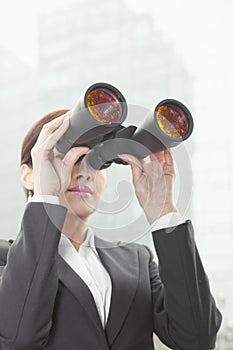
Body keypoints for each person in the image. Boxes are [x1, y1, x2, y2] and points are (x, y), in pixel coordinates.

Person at [0, 109, 222, 350]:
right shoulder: (7, 260)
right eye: (67, 158)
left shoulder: (137, 260)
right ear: (28, 176)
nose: (85, 173)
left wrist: (164, 211)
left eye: (97, 162)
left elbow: (198, 339)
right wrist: (46, 196)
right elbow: (19, 339)